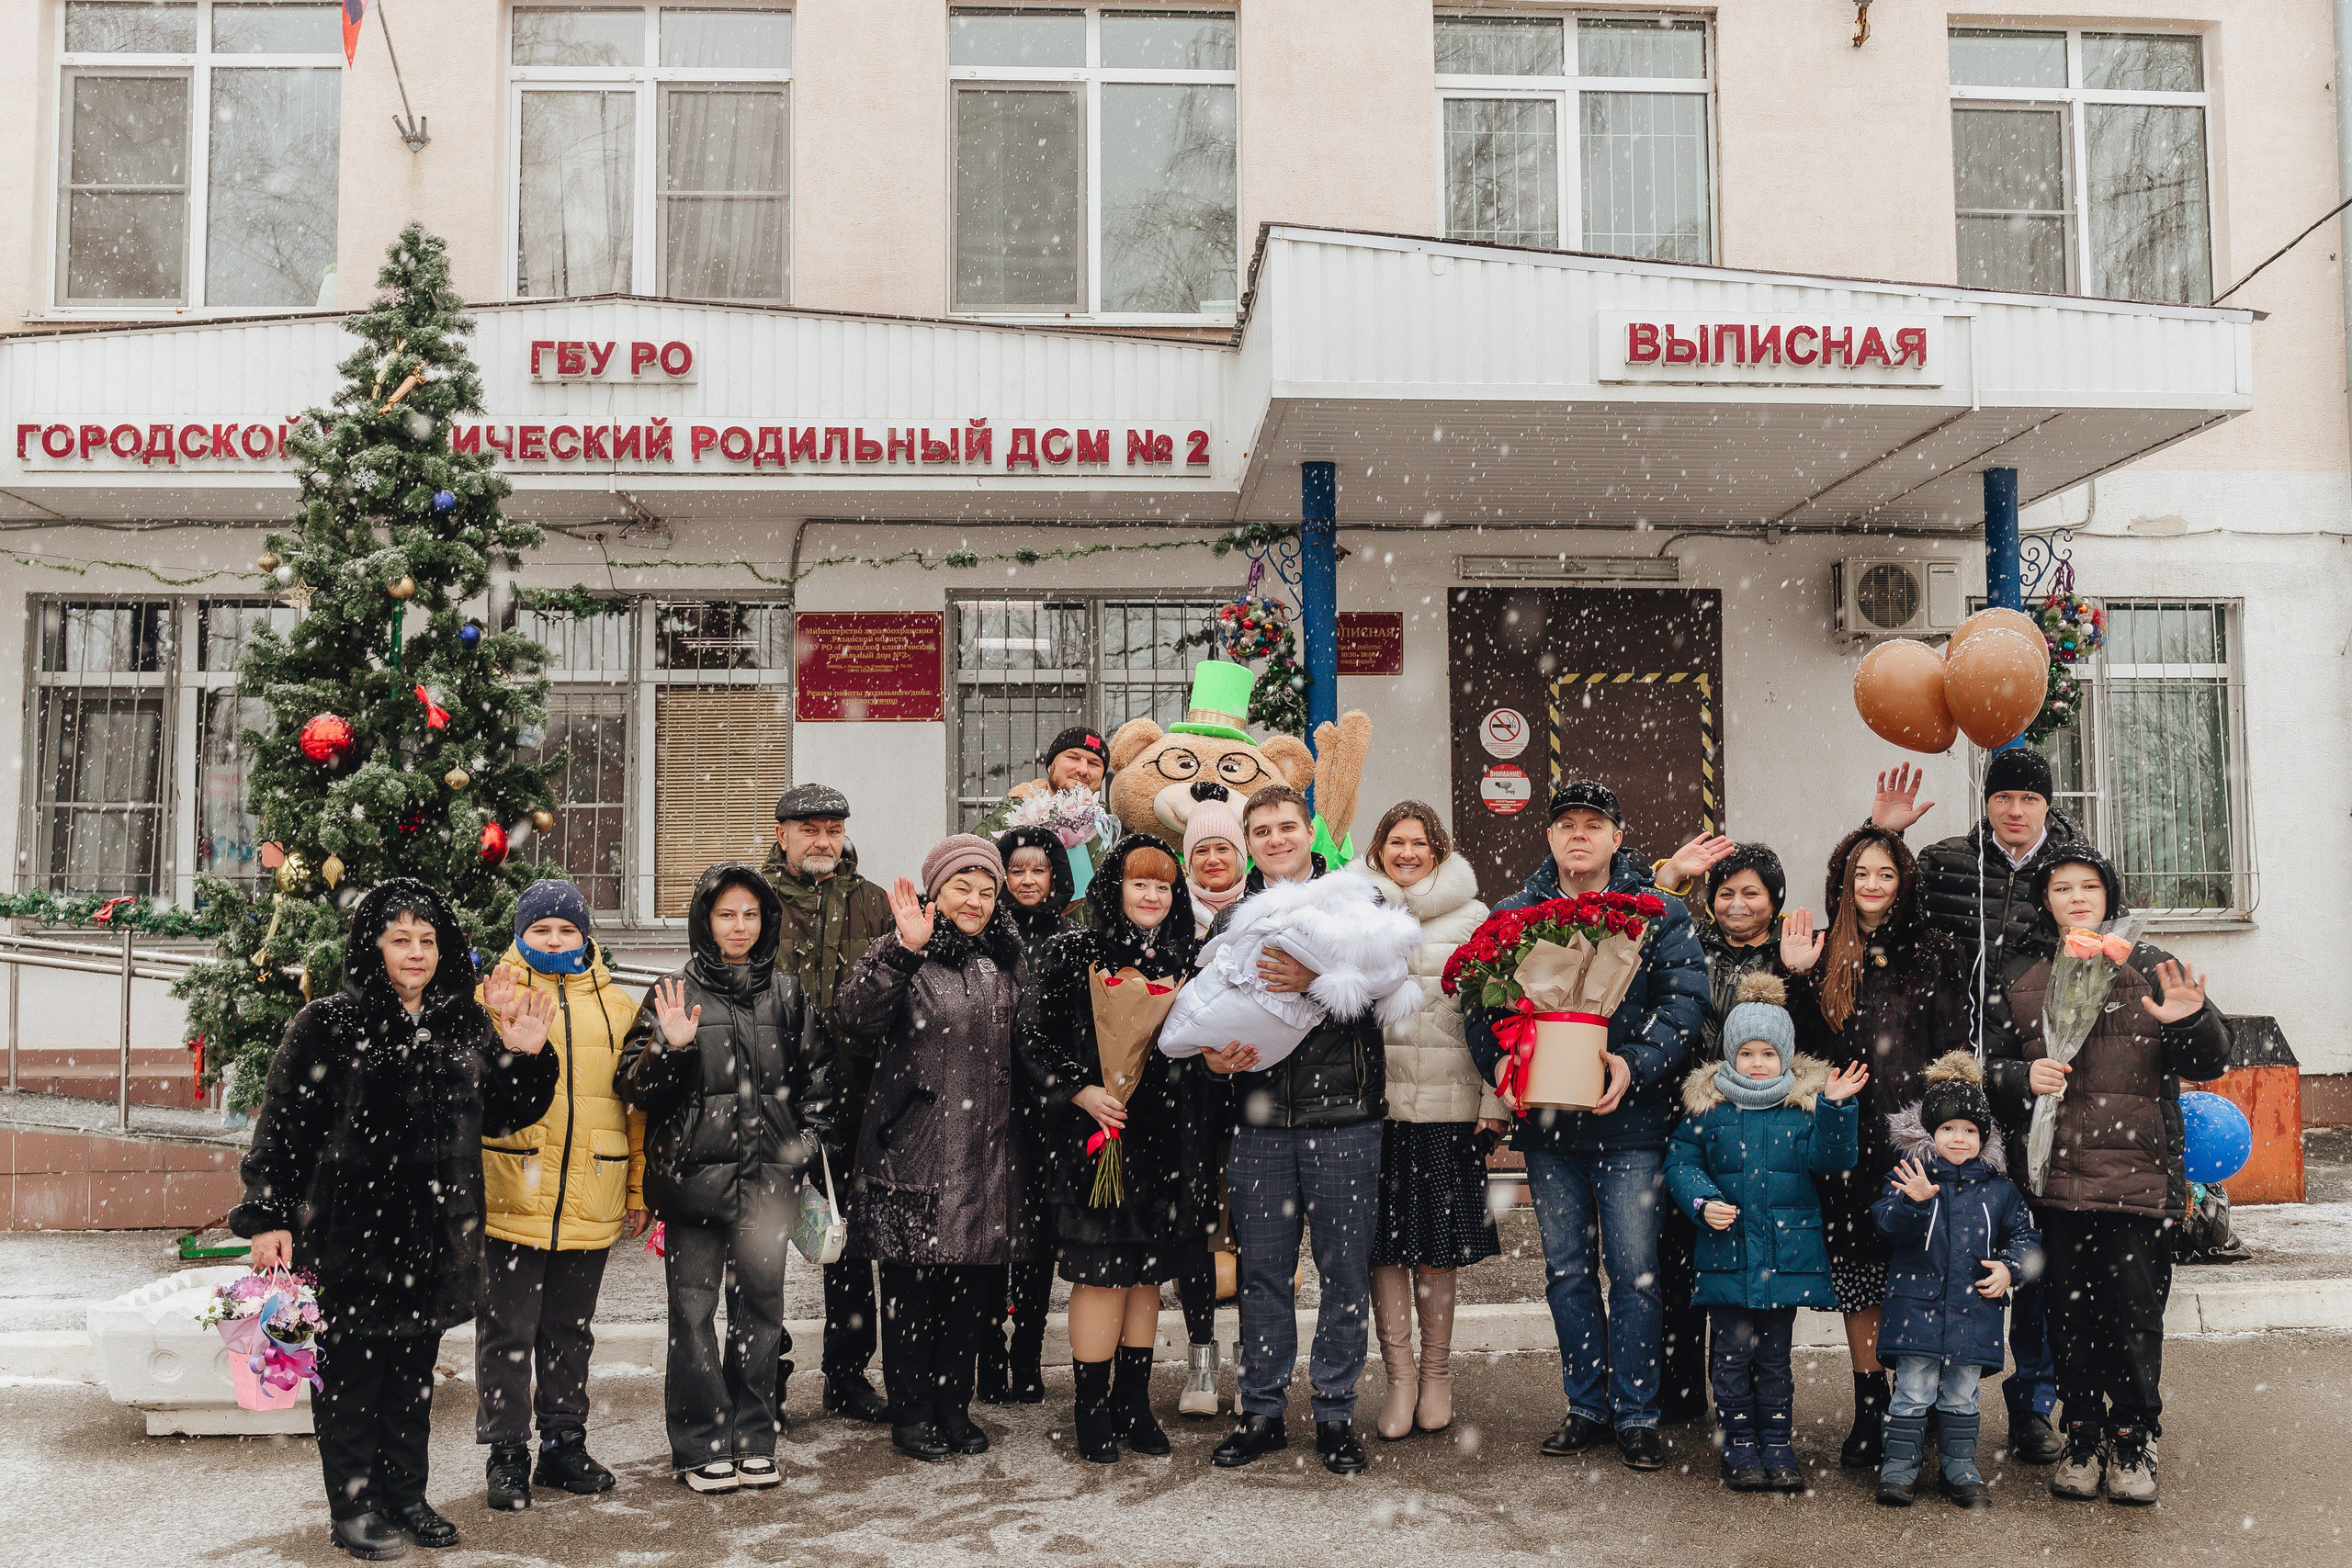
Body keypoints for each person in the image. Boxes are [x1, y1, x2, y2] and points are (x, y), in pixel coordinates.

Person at [232, 880, 559, 1561]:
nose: (416, 952)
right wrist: (267, 1216)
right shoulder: (326, 1023)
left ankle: (407, 1494)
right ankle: (353, 1505)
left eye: (428, 939)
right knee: (350, 1379)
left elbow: (506, 1113)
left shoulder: (465, 1021)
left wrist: (527, 1053)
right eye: (400, 937)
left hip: (435, 1240)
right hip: (348, 1237)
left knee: (412, 1378)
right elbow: (282, 1126)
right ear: (372, 945)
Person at [1463, 780, 1709, 1472]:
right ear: (1549, 836)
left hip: (1631, 1126)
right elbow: (1480, 1011)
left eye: (1593, 824)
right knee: (1568, 1271)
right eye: (1566, 823)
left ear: (1617, 836)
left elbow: (1684, 1001)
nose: (1579, 835)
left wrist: (1634, 1062)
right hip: (1551, 1131)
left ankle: (1636, 1411)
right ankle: (1586, 1405)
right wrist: (1510, 1061)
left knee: (1634, 1274)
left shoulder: (1656, 912)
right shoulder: (1515, 915)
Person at [1983, 845, 2230, 1506]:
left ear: (2108, 897)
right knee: (2070, 1319)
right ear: (2047, 902)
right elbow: (1993, 1071)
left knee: (2132, 1317)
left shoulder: (2150, 968)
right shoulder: (2027, 979)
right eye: (2062, 887)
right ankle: (2083, 1433)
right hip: (2061, 1184)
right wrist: (2016, 1079)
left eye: (2089, 885)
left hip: (2139, 1182)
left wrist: (2193, 1020)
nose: (2077, 896)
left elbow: (2212, 1059)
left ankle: (2133, 1436)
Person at [1870, 750, 2082, 1463]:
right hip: (1956, 1084)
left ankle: (2032, 1406)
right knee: (1941, 1239)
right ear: (1986, 800)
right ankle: (1930, 1403)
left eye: (2029, 796)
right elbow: (1876, 903)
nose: (2015, 808)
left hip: (2039, 1084)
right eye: (2003, 795)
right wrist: (1884, 833)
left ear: (2047, 804)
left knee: (2027, 1247)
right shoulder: (1943, 861)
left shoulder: (2073, 869)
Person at [618, 863, 835, 1494]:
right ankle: (700, 1443)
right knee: (693, 1316)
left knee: (761, 1317)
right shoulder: (672, 992)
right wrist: (671, 1046)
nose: (739, 926)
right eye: (725, 914)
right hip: (694, 1190)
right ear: (704, 920)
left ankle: (754, 1436)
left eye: (750, 914)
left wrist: (801, 1149)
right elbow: (633, 1086)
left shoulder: (788, 994)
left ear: (765, 920)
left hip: (769, 1191)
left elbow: (819, 1084)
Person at [833, 835, 1038, 1464]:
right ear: (936, 890)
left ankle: (954, 1406)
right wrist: (902, 949)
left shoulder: (1008, 958)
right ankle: (912, 1410)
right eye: (961, 887)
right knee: (911, 1293)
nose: (974, 901)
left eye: (986, 890)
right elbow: (854, 1016)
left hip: (988, 1154)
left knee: (969, 1295)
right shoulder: (906, 949)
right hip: (916, 1152)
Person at [1204, 784, 1391, 1476]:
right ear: (1248, 840)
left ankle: (1336, 1412)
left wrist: (1317, 974)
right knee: (1263, 1274)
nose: (1277, 839)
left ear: (1311, 831)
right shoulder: (1231, 918)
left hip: (1344, 1117)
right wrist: (1212, 1056)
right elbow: (1209, 1007)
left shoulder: (1354, 900)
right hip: (1260, 1122)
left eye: (1288, 826)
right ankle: (1261, 1409)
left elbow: (1388, 983)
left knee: (1344, 1272)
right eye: (1263, 830)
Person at [1780, 824, 1969, 1471]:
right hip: (1848, 1139)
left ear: (1904, 881)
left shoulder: (1934, 949)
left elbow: (1952, 1047)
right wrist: (1798, 977)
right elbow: (1802, 1047)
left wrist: (1948, 1127)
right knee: (1859, 1277)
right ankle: (1870, 1403)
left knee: (1922, 1271)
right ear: (1843, 881)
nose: (1872, 885)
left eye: (1885, 873)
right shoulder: (1825, 948)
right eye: (1862, 873)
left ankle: (1931, 1403)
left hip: (1915, 1135)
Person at [1015, 834, 1204, 1462]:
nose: (1150, 895)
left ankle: (1135, 1401)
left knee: (1148, 1273)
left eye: (1162, 885)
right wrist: (1082, 1090)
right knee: (1102, 1273)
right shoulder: (1076, 949)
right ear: (1114, 887)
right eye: (1138, 882)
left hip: (1163, 1141)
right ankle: (1091, 1410)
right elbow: (1033, 1036)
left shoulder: (1187, 957)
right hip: (1092, 1137)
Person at [474, 880, 649, 1512]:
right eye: (541, 928)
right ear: (521, 933)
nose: (553, 939)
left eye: (566, 929)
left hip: (590, 1192)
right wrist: (498, 1026)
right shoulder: (491, 996)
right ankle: (506, 1451)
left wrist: (636, 1185)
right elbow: (478, 1092)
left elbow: (633, 1112)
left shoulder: (620, 1008)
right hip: (512, 1191)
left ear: (585, 936)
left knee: (570, 1329)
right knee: (506, 1329)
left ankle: (563, 1443)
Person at [1664, 973, 1865, 1494]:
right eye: (1747, 1053)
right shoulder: (1709, 1111)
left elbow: (1833, 1159)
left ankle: (1777, 1444)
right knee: (1731, 1356)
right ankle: (1738, 1444)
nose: (1757, 1063)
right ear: (1730, 1056)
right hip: (1728, 1256)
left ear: (1787, 1058)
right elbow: (1681, 1163)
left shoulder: (1801, 1110)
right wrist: (1703, 1201)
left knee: (1775, 1358)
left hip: (1783, 1257)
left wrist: (1837, 1107)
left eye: (1768, 1054)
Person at [1350, 800, 1500, 1441]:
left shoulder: (1474, 918)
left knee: (1436, 1251)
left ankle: (1437, 1374)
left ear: (1438, 850)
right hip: (1373, 1112)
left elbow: (1501, 1013)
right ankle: (1400, 1377)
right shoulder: (1354, 910)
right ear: (1379, 848)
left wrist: (1496, 1102)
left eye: (1419, 843)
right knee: (1382, 1247)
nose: (1406, 852)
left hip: (1448, 1110)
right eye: (1395, 841)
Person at [762, 783, 895, 1426]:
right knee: (762, 1251)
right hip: (768, 1107)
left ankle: (847, 1374)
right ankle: (766, 1378)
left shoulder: (873, 905)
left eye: (833, 829)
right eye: (809, 828)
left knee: (848, 1247)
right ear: (781, 832)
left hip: (853, 1102)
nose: (823, 840)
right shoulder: (750, 902)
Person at [1871, 1055, 2042, 1509]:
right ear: (1930, 1134)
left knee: (1962, 1395)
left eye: (1969, 1130)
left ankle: (1959, 1466)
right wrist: (1916, 1203)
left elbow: (2027, 1240)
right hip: (1916, 1311)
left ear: (1983, 1138)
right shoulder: (1910, 1178)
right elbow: (1887, 1225)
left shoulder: (2000, 1190)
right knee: (1911, 1392)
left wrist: (2010, 1268)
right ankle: (1899, 1468)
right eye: (1948, 1129)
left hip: (1974, 1312)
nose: (1959, 1139)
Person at [978, 824, 1079, 1405]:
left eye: (1037, 870)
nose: (1026, 880)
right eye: (1016, 870)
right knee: (994, 1234)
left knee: (1038, 1238)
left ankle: (1028, 1352)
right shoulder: (984, 935)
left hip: (1048, 1108)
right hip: (990, 1103)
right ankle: (989, 1353)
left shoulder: (1069, 939)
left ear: (1054, 875)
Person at [1172, 793, 1250, 1416]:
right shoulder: (1168, 921)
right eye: (1202, 849)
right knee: (1192, 1228)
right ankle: (1202, 1355)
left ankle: (1257, 1353)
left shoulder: (1269, 913)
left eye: (1224, 846)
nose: (1214, 859)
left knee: (1259, 1228)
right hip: (1187, 1104)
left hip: (1258, 1099)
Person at [975, 726, 1115, 883]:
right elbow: (973, 881)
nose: (1083, 769)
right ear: (1050, 766)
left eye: (1094, 763)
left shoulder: (1110, 831)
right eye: (1073, 758)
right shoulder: (1006, 819)